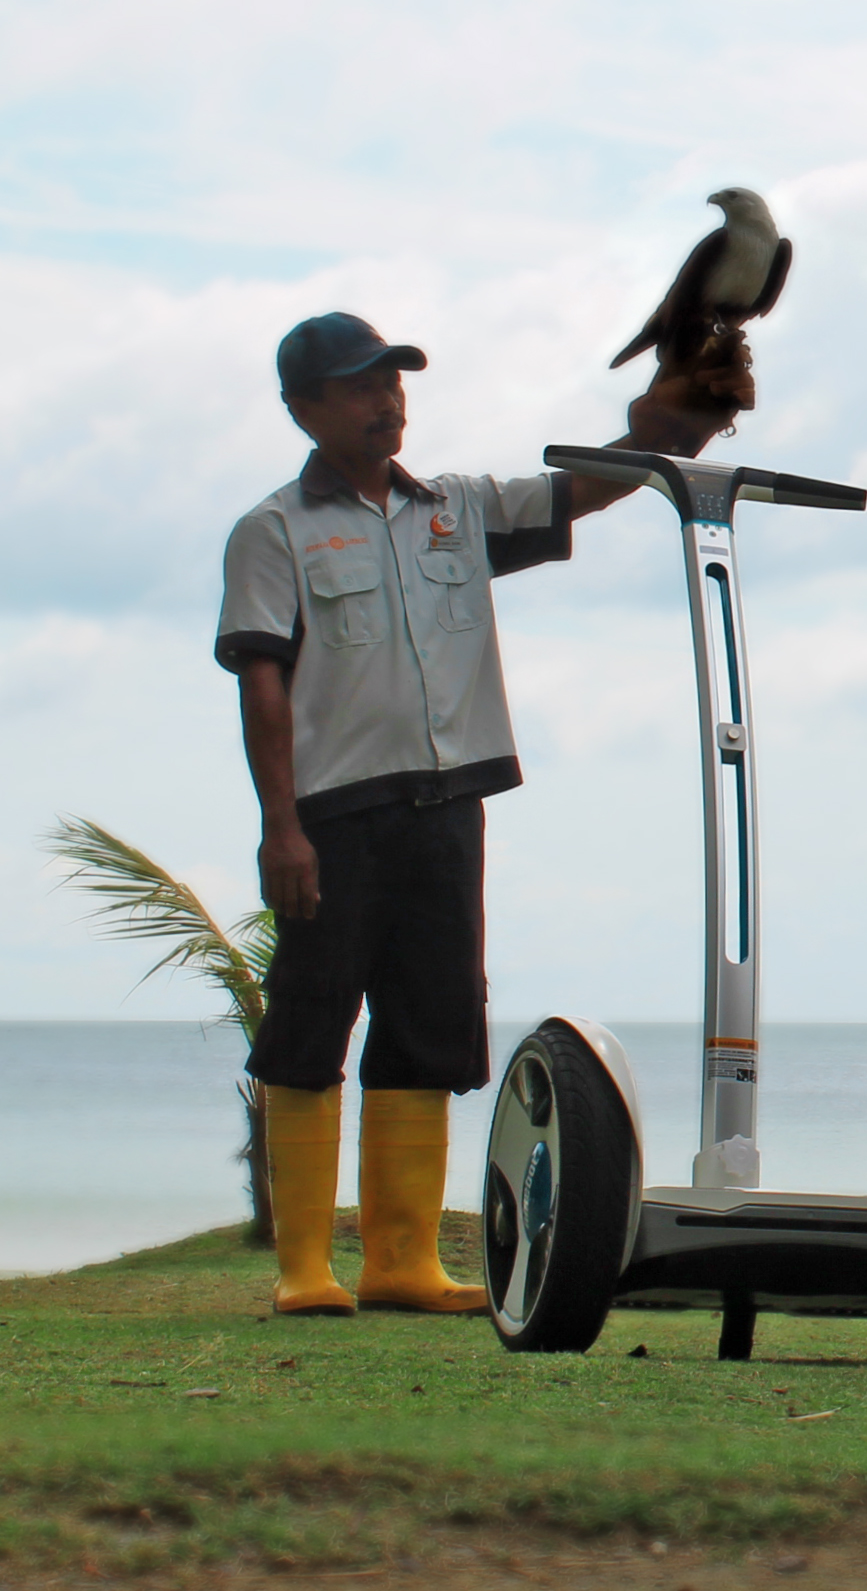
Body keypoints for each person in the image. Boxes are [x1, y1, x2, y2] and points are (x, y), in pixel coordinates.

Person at [217, 311, 751, 1316]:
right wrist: (278, 824)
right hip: (333, 812)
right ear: (303, 407)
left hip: (449, 806)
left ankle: (400, 1262)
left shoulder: (454, 506)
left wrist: (663, 437)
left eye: (394, 379)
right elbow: (263, 683)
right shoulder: (273, 529)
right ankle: (303, 1268)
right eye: (360, 384)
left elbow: (573, 493)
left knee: (430, 1022)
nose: (387, 399)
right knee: (310, 1019)